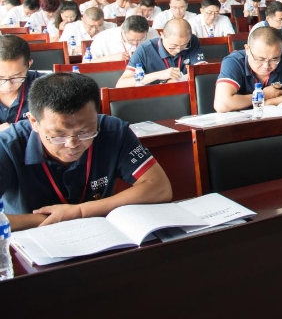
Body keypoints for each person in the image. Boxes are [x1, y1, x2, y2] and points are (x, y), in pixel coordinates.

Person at [0, 72, 172, 231]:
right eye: (58, 135)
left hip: (100, 234)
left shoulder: (113, 131)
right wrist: (50, 219)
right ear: (33, 122)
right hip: (31, 239)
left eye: (85, 132)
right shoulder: (8, 145)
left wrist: (81, 211)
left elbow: (160, 187)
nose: (72, 144)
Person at [215, 26, 282, 112]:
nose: (266, 66)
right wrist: (264, 95)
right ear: (247, 49)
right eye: (260, 59)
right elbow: (222, 104)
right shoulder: (234, 62)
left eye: (274, 59)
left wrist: (272, 101)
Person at [116, 18, 204, 87]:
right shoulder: (145, 50)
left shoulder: (192, 41)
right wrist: (158, 75)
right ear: (162, 35)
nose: (178, 50)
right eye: (173, 46)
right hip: (154, 96)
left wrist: (178, 80)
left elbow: (202, 70)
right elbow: (121, 84)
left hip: (185, 92)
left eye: (184, 45)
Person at [0, 35, 46, 131]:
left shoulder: (45, 85)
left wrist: (15, 129)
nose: (7, 86)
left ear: (29, 64)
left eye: (16, 77)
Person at [88, 16, 157, 62]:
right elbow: (89, 62)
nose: (135, 43)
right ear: (122, 30)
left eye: (140, 39)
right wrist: (111, 58)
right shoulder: (103, 37)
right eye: (131, 40)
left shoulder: (152, 33)